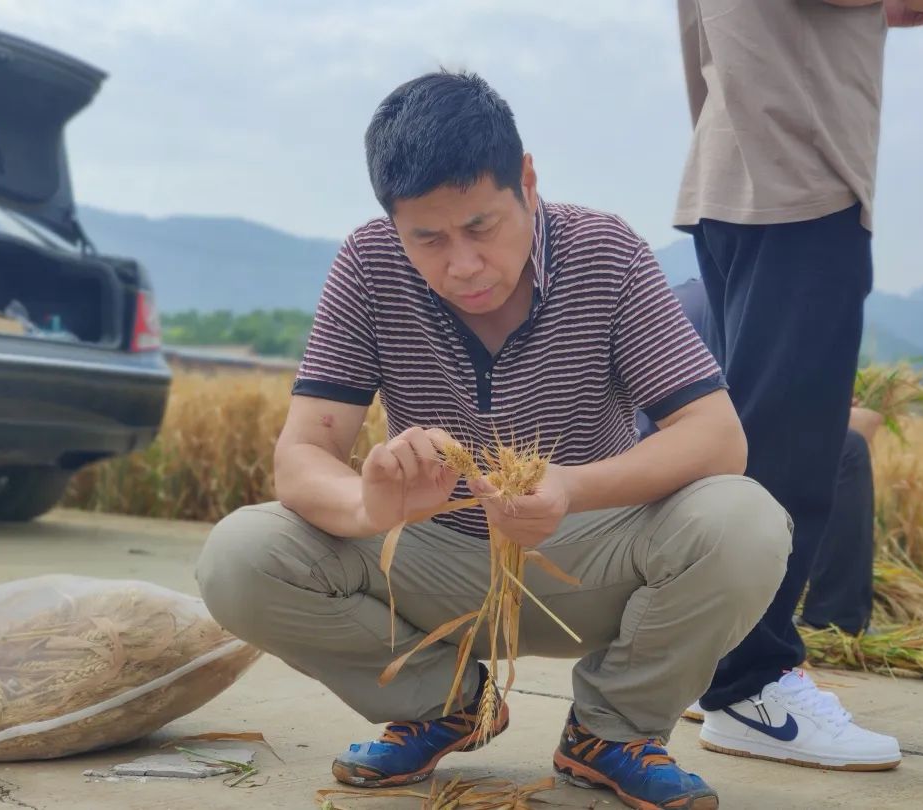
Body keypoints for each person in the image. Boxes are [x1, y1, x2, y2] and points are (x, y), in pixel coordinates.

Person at [196, 71, 793, 810]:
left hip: (584, 549)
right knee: (240, 555)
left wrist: (573, 487)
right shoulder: (368, 264)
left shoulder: (605, 252)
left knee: (746, 519)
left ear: (528, 182)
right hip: (430, 553)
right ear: (393, 223)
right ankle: (446, 704)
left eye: (482, 227)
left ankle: (610, 731)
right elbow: (301, 456)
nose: (464, 265)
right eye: (429, 239)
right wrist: (368, 505)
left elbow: (715, 437)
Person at [673, 0, 923, 771]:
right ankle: (751, 684)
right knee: (790, 455)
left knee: (745, 443)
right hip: (799, 169)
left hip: (738, 164)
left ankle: (716, 660)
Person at [638, 278, 883, 639]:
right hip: (681, 459)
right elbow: (772, 407)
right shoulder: (772, 309)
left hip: (643, 450)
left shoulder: (691, 294)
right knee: (848, 449)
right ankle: (836, 619)